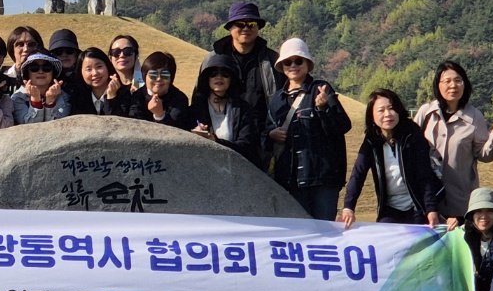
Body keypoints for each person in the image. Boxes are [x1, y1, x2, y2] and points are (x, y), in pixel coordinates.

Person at [415, 60, 493, 227]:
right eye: (447, 81)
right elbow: (411, 147)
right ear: (437, 85)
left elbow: (484, 155)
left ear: (465, 84)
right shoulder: (426, 113)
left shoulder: (475, 116)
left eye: (458, 80)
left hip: (459, 201)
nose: (453, 85)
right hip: (426, 199)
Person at [265, 39, 352, 220]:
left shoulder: (321, 89)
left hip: (323, 180)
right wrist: (271, 134)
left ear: (307, 63)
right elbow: (265, 132)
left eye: (299, 61)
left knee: (325, 231)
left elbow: (343, 126)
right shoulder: (277, 100)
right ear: (282, 66)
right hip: (290, 181)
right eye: (288, 62)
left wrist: (323, 109)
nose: (293, 65)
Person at [339, 89, 441, 228]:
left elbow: (425, 174)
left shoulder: (413, 135)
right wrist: (348, 207)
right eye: (381, 110)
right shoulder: (371, 141)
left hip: (417, 205)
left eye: (391, 108)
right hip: (389, 208)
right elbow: (358, 174)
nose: (388, 114)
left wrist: (430, 209)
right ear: (372, 116)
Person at [209, 1, 282, 136]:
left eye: (251, 24)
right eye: (240, 24)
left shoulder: (272, 61)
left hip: (263, 141)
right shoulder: (214, 60)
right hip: (221, 138)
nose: (246, 28)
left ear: (258, 28)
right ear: (230, 28)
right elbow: (200, 97)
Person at [189, 55, 262, 166]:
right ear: (207, 79)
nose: (219, 77)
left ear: (231, 79)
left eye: (225, 74)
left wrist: (215, 141)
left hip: (236, 169)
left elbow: (246, 146)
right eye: (213, 74)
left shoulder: (243, 109)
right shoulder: (196, 109)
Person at [129, 52, 192, 128]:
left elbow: (177, 130)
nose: (158, 79)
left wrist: (160, 115)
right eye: (153, 75)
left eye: (164, 75)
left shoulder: (180, 99)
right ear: (145, 76)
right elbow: (134, 125)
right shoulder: (137, 97)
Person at [69, 48, 133, 117]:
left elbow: (120, 123)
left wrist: (111, 98)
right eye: (89, 69)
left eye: (99, 67)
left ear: (107, 66)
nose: (95, 73)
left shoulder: (126, 94)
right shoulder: (76, 97)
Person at [12, 51, 71, 123]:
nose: (40, 71)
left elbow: (58, 125)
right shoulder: (18, 97)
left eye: (46, 67)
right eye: (34, 68)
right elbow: (29, 128)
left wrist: (50, 101)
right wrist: (36, 101)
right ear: (27, 73)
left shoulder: (63, 96)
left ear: (53, 72)